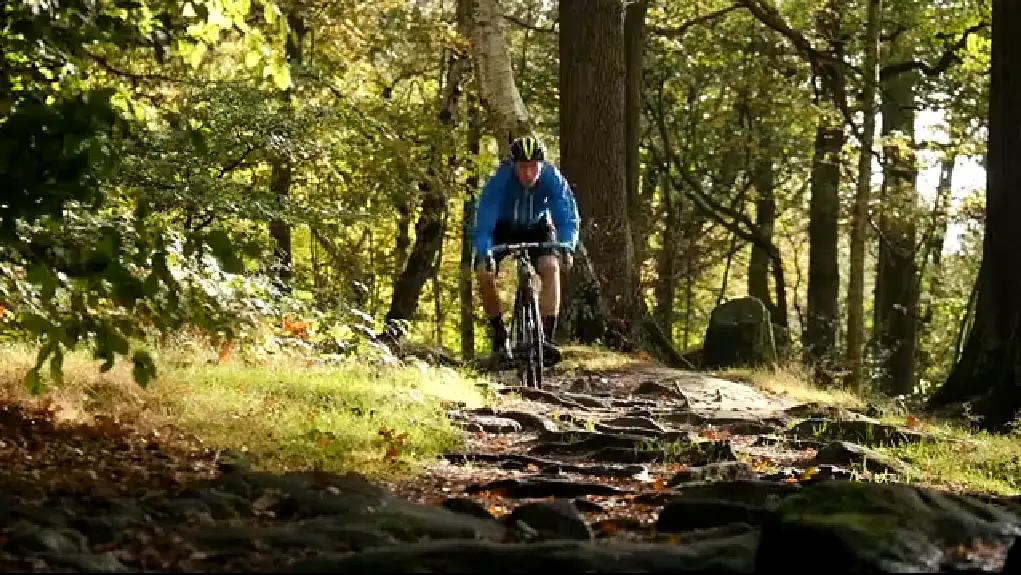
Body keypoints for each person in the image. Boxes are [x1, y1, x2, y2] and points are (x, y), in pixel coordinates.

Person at [471, 135, 581, 367]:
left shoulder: (552, 179)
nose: (528, 174)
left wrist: (567, 246)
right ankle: (500, 336)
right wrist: (485, 253)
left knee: (551, 268)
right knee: (484, 273)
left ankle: (545, 339)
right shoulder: (500, 181)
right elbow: (484, 222)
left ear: (542, 166)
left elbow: (567, 217)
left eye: (534, 168)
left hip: (537, 227)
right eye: (523, 168)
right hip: (502, 228)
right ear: (514, 166)